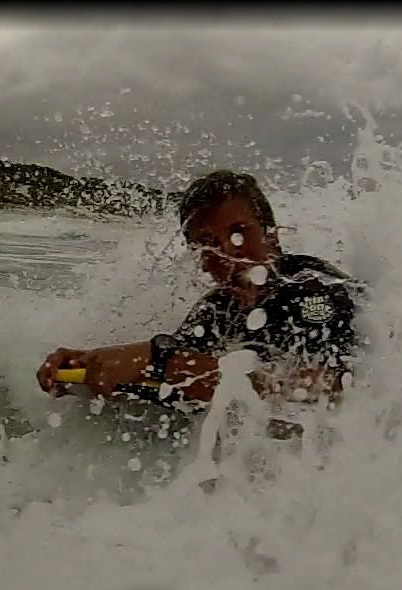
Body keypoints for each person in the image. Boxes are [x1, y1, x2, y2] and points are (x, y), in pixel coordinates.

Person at [35, 170, 360, 417]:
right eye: (206, 243)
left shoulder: (315, 289)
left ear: (272, 236)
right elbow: (178, 370)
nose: (225, 253)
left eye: (238, 233)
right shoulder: (216, 310)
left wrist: (161, 363)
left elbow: (331, 391)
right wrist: (88, 369)